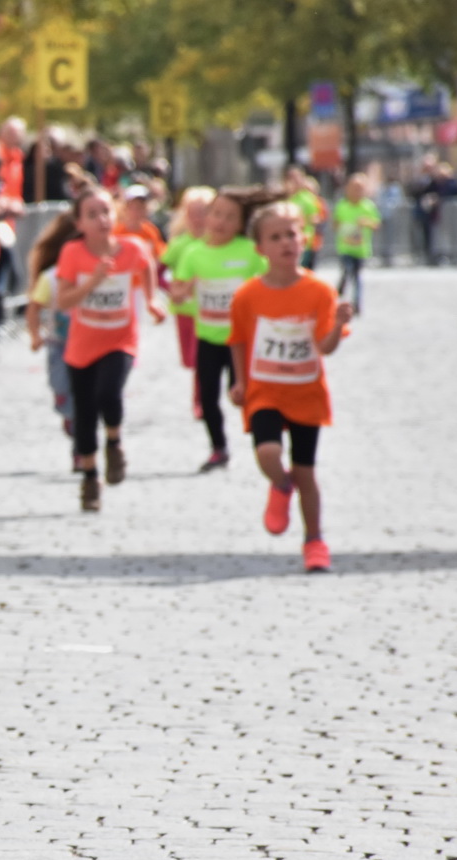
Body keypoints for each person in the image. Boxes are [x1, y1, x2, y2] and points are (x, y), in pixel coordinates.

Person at [228, 202, 354, 573]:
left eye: (292, 234)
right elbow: (236, 339)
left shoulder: (319, 292)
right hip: (265, 390)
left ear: (306, 239)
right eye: (275, 237)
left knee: (307, 473)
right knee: (267, 453)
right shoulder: (248, 295)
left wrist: (336, 327)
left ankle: (314, 540)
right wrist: (239, 380)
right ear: (260, 249)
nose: (286, 242)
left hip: (305, 392)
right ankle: (280, 486)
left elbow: (325, 348)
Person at [54, 186, 166, 511]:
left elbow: (145, 267)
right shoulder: (73, 254)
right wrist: (92, 281)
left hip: (120, 339)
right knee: (85, 415)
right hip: (82, 344)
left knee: (109, 393)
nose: (102, 219)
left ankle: (114, 442)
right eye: (92, 214)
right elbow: (63, 301)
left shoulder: (131, 247)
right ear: (80, 224)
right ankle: (90, 479)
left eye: (106, 211)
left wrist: (151, 299)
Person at [169, 187, 272, 471]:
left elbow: (268, 281)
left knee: (242, 393)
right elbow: (176, 290)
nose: (221, 222)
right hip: (208, 337)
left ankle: (264, 442)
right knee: (207, 397)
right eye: (216, 214)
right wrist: (181, 292)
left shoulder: (249, 252)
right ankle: (218, 447)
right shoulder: (193, 252)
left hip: (240, 340)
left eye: (230, 217)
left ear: (241, 224)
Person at [25, 212, 79, 442]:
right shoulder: (51, 277)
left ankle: (81, 438)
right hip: (58, 343)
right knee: (61, 387)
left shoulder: (94, 271)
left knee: (86, 394)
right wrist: (35, 335)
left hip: (88, 341)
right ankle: (70, 416)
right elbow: (34, 307)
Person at [160, 186, 214, 413]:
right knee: (191, 361)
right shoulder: (179, 244)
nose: (197, 218)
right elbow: (157, 271)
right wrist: (170, 290)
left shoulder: (218, 243)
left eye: (203, 212)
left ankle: (201, 401)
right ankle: (202, 396)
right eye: (192, 212)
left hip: (212, 313)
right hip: (185, 311)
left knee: (205, 360)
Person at [333, 173, 380, 314]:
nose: (356, 191)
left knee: (357, 277)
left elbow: (376, 224)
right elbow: (335, 223)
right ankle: (338, 294)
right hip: (345, 247)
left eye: (359, 188)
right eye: (353, 188)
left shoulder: (368, 206)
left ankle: (357, 303)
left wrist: (366, 222)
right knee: (347, 271)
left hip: (361, 248)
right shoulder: (342, 205)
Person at [283, 166, 327, 270]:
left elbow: (317, 217)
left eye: (297, 178)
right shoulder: (284, 197)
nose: (294, 182)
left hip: (304, 242)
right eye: (291, 178)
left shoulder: (308, 198)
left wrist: (305, 220)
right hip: (284, 241)